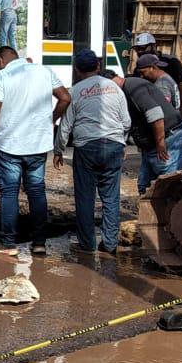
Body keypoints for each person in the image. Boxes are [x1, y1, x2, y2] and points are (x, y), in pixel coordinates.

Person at [0, 45, 70, 256]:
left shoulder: (2, 76)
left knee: (10, 193)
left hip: (9, 145)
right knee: (36, 191)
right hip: (38, 145)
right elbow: (65, 98)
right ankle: (39, 242)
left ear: (0, 61)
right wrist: (52, 118)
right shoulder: (44, 71)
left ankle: (8, 243)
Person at [54, 50, 130, 254]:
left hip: (86, 147)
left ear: (77, 70)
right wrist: (121, 143)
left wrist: (58, 150)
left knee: (85, 197)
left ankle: (87, 244)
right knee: (111, 198)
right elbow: (126, 121)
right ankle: (110, 244)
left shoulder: (76, 91)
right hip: (113, 145)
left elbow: (65, 126)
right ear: (98, 66)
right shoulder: (114, 88)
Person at [120, 54, 182, 191]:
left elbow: (157, 114)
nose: (141, 77)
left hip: (168, 136)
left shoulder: (162, 84)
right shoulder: (168, 79)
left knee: (165, 183)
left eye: (143, 72)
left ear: (152, 67)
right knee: (162, 182)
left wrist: (160, 141)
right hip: (171, 133)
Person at [131, 32, 182, 108]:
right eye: (137, 49)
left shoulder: (170, 61)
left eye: (143, 48)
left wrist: (181, 108)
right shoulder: (139, 66)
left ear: (154, 46)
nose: (139, 51)